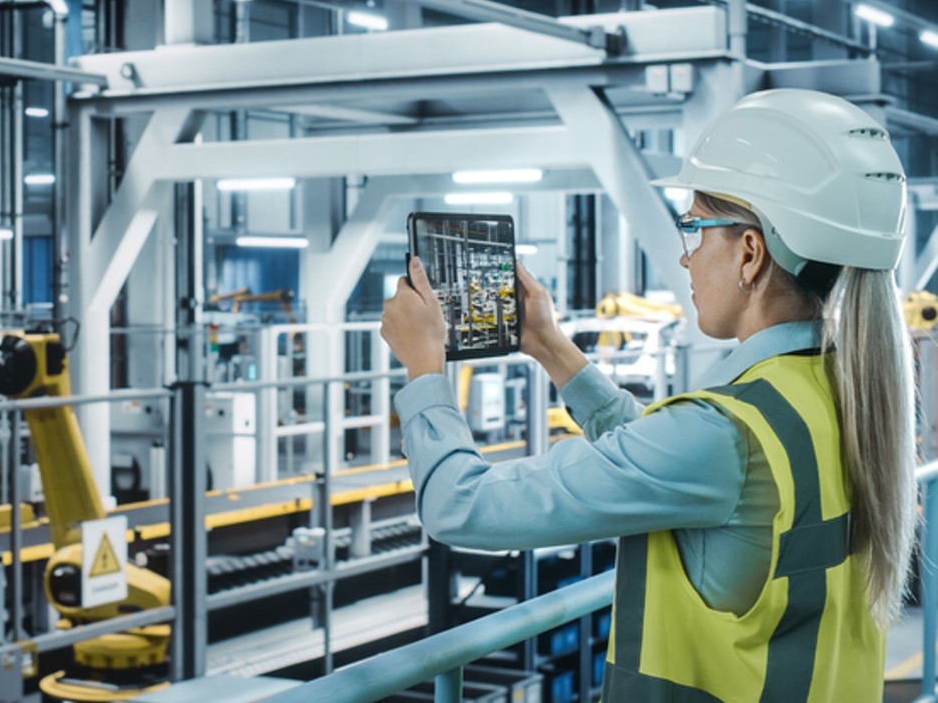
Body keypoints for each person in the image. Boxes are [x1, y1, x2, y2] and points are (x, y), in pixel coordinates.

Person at [380, 88, 916, 702]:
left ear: (750, 253)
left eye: (693, 227)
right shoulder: (840, 392)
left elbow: (458, 507)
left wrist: (424, 371)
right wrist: (551, 346)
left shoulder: (724, 433)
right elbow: (673, 462)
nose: (685, 258)